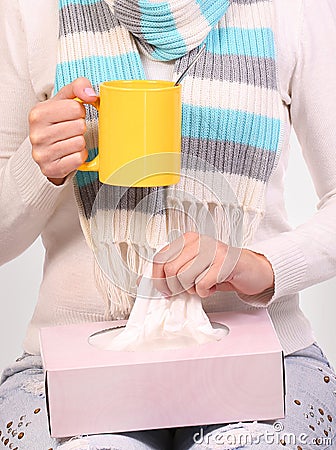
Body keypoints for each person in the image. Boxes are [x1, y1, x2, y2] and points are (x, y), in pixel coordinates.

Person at [1, 0, 336, 449]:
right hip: (78, 365)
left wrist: (264, 265)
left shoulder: (294, 9)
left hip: (260, 356)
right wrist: (37, 165)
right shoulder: (28, 10)